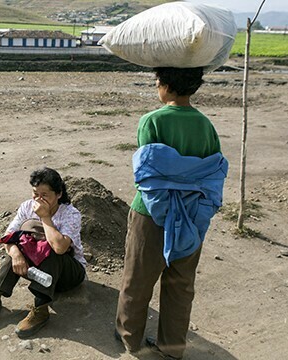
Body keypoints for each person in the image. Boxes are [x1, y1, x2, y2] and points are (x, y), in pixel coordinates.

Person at [115, 67, 228, 359]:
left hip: (151, 216)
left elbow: (148, 175)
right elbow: (213, 173)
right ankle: (172, 348)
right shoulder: (206, 126)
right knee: (180, 284)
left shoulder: (152, 121)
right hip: (193, 215)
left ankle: (130, 339)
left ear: (165, 84)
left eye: (157, 81)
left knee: (138, 280)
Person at [0, 167, 86, 338]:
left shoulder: (70, 214)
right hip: (40, 270)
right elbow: (7, 237)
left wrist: (45, 217)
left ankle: (40, 309)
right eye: (35, 193)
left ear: (58, 194)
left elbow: (60, 247)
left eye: (45, 195)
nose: (38, 199)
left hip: (67, 273)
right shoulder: (27, 207)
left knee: (51, 249)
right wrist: (15, 254)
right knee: (17, 245)